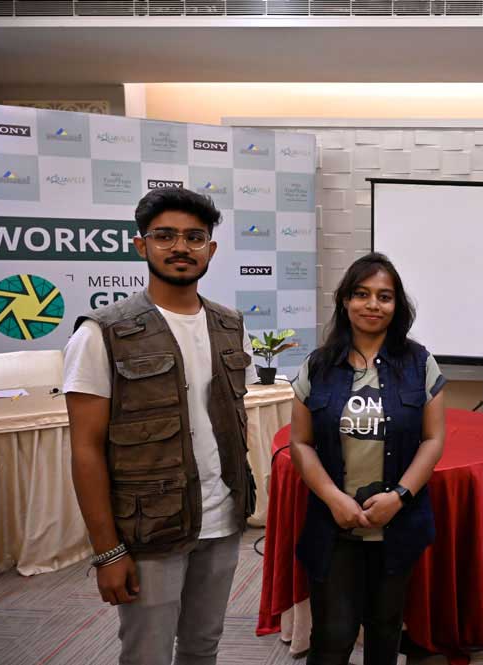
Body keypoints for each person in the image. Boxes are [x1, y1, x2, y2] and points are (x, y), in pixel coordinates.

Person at [64, 187, 257, 665]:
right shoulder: (102, 333)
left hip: (222, 520)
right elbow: (85, 449)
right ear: (141, 245)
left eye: (194, 237)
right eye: (165, 235)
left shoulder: (231, 326)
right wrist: (108, 552)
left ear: (211, 248)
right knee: (147, 654)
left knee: (202, 647)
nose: (180, 247)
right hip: (150, 529)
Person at [289, 252, 446, 665]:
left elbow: (433, 440)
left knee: (385, 631)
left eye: (384, 296)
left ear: (397, 305)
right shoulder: (318, 366)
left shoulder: (420, 363)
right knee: (333, 636)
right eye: (361, 294)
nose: (372, 304)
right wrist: (334, 499)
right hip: (334, 525)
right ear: (345, 301)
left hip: (397, 525)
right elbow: (300, 443)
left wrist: (400, 496)